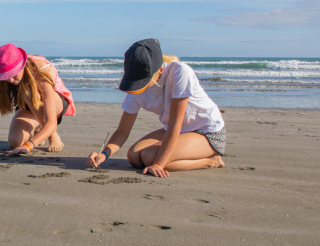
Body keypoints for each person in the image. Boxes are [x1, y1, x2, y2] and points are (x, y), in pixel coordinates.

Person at [87, 38, 226, 177]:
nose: (138, 86)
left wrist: (159, 164)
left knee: (149, 157)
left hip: (207, 132)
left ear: (159, 70)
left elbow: (174, 125)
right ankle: (168, 155)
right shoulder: (136, 88)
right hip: (178, 131)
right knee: (134, 156)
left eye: (142, 81)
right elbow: (122, 132)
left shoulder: (179, 72)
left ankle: (211, 161)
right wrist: (104, 154)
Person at [0, 44, 75, 156]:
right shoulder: (4, 78)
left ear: (22, 65)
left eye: (13, 74)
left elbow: (52, 122)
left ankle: (52, 136)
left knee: (27, 92)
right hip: (28, 106)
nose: (11, 80)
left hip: (56, 102)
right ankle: (40, 131)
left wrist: (29, 145)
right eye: (7, 76)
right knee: (15, 141)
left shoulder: (40, 70)